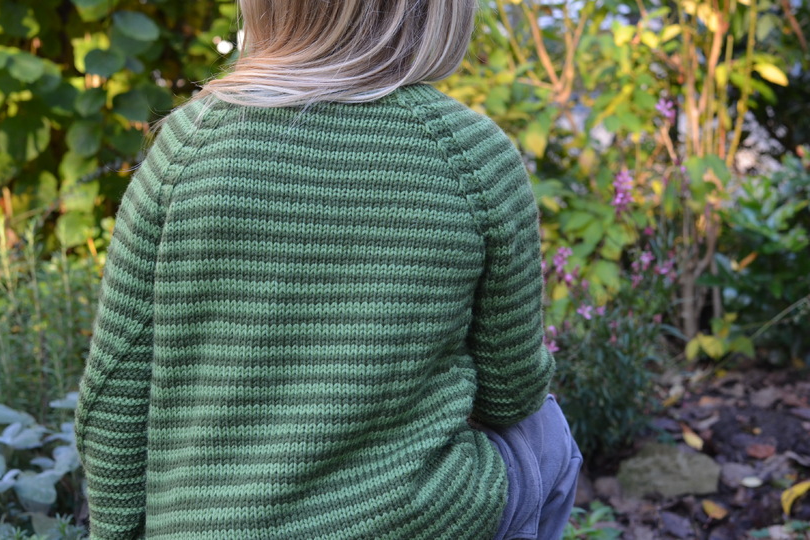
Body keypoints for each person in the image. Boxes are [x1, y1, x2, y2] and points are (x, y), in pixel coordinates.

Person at [72, 1, 582, 538]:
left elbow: (114, 399)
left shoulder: (188, 146)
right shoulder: (473, 156)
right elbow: (510, 391)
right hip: (410, 519)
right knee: (546, 431)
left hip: (205, 528)